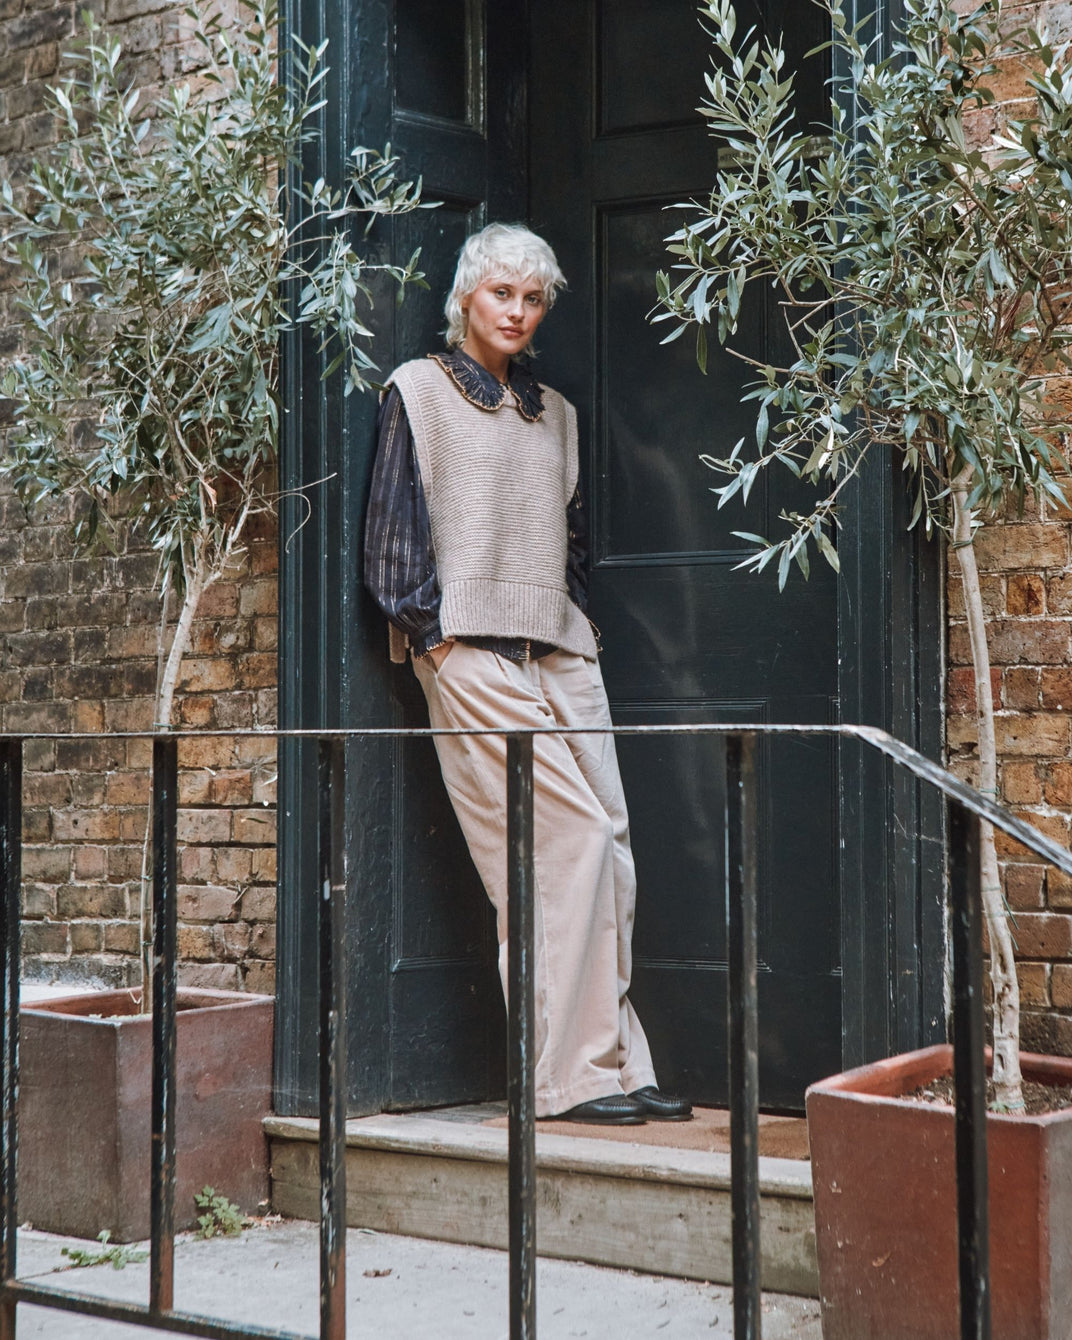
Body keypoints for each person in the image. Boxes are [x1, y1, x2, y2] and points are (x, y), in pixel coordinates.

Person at [364, 222, 691, 1125]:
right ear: (466, 297)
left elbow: (569, 545)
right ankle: (566, 1078)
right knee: (561, 847)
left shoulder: (558, 417)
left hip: (560, 650)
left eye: (532, 297)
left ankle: (615, 1062)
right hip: (470, 651)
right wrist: (438, 647)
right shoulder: (419, 392)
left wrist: (571, 625)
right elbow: (390, 546)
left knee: (609, 848)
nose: (516, 310)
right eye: (500, 292)